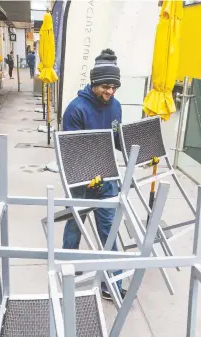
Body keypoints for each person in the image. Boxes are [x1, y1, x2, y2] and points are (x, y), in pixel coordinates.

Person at [62, 48, 125, 301]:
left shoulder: (116, 106)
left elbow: (117, 138)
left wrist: (139, 148)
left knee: (108, 228)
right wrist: (88, 176)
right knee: (76, 223)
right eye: (105, 87)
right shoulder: (76, 109)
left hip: (107, 176)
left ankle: (112, 281)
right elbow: (70, 151)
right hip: (81, 179)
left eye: (114, 87)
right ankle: (69, 267)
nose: (110, 92)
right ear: (94, 83)